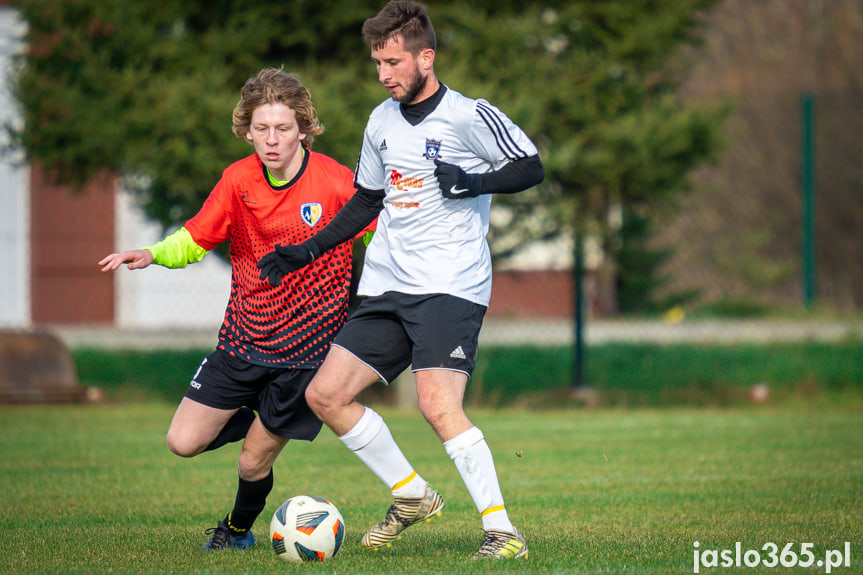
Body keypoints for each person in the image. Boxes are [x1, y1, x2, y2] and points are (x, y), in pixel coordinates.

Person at [257, 1, 544, 560]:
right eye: (377, 64)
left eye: (392, 62)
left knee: (438, 407)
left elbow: (529, 165)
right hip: (388, 285)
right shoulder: (380, 121)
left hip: (450, 284)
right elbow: (368, 198)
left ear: (425, 58)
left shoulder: (467, 114)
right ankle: (412, 495)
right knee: (326, 394)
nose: (384, 74)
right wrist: (308, 249)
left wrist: (470, 179)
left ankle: (503, 532)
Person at [99, 68, 371, 552]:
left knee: (251, 463)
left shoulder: (335, 182)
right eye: (261, 129)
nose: (271, 140)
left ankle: (237, 531)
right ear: (247, 130)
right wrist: (152, 253)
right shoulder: (237, 179)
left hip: (307, 355)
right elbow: (195, 237)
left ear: (304, 129)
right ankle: (268, 417)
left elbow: (381, 236)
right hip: (243, 341)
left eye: (283, 128)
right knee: (181, 442)